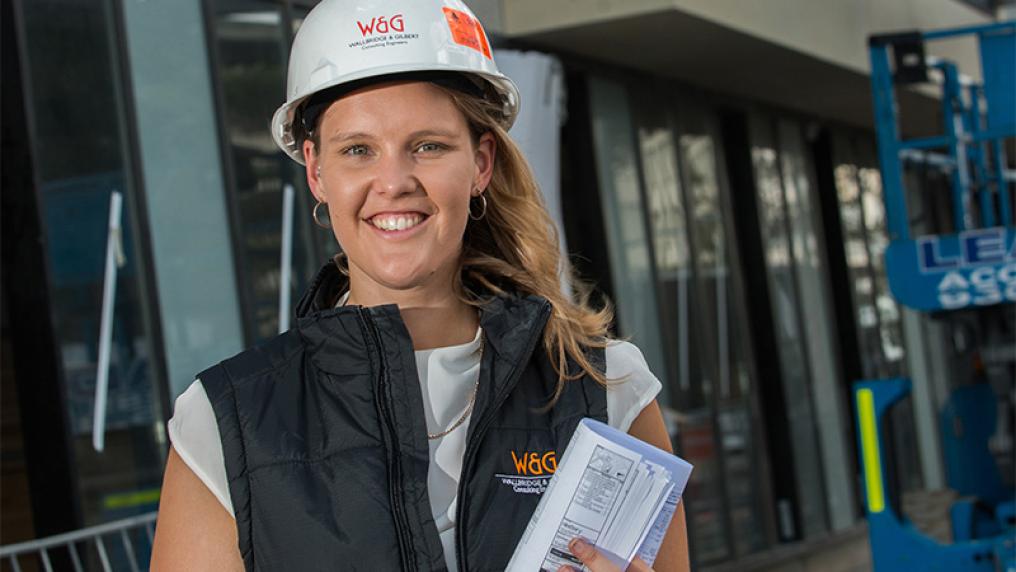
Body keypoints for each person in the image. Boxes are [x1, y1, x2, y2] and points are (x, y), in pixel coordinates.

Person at [150, 0, 689, 570]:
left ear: (480, 164)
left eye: (428, 146)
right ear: (316, 172)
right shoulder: (227, 420)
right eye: (358, 150)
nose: (394, 183)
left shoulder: (605, 389)